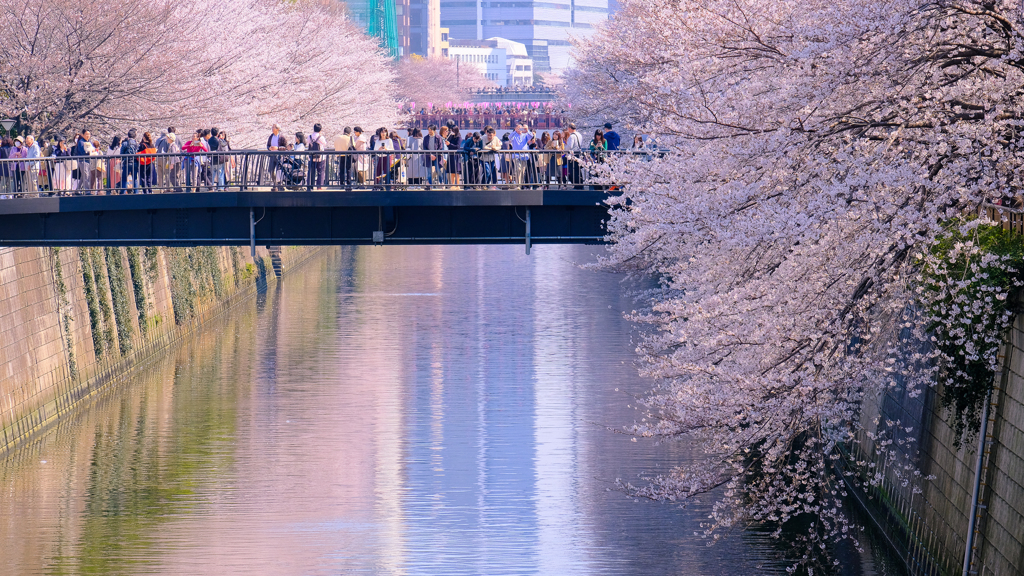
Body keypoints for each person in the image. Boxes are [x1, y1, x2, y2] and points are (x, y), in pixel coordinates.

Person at [509, 122, 534, 187]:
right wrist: (515, 131)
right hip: (516, 155)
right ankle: (517, 185)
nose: (520, 130)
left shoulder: (525, 135)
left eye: (521, 128)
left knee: (522, 171)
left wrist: (527, 129)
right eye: (518, 128)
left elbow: (531, 136)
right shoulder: (514, 136)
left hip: (524, 156)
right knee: (518, 169)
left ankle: (520, 185)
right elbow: (509, 137)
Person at [306, 123, 326, 189]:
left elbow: (307, 143)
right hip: (320, 157)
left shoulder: (309, 137)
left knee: (311, 171)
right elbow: (324, 144)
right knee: (320, 172)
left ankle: (310, 186)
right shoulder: (321, 137)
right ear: (320, 129)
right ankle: (319, 186)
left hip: (311, 157)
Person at [564, 123, 584, 188]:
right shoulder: (579, 135)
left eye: (568, 128)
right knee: (578, 170)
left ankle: (576, 185)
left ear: (570, 128)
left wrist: (564, 149)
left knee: (573, 170)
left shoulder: (572, 136)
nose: (567, 130)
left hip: (573, 155)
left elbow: (570, 146)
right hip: (578, 154)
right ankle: (581, 184)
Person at [267, 123, 284, 191]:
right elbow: (267, 145)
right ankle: (275, 184)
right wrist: (269, 148)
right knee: (271, 170)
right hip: (272, 155)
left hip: (279, 155)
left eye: (273, 127)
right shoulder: (271, 136)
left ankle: (280, 185)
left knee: (279, 171)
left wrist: (278, 148)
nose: (272, 128)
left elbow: (285, 147)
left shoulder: (281, 137)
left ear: (277, 129)